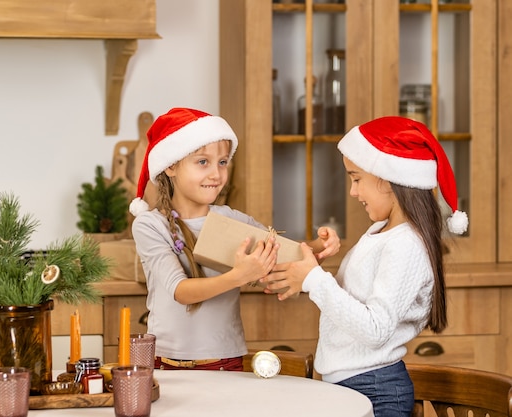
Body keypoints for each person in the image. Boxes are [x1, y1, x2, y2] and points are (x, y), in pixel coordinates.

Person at [262, 116, 468, 416]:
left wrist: (315, 281)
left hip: (374, 389)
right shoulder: (382, 233)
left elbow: (375, 329)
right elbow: (356, 300)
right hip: (355, 384)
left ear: (387, 177)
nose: (353, 192)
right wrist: (311, 271)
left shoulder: (405, 244)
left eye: (356, 178)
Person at [129, 107, 340, 371]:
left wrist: (321, 245)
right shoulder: (150, 225)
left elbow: (283, 253)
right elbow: (180, 291)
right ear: (171, 165)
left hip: (225, 361)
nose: (216, 174)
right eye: (202, 162)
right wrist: (240, 275)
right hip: (167, 362)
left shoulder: (233, 220)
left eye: (223, 162)